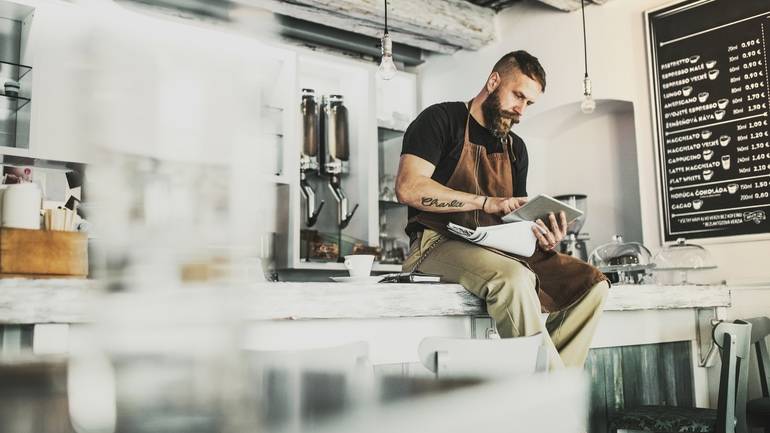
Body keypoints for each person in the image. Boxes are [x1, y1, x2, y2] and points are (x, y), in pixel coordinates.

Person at [396, 50, 609, 369]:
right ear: (493, 81)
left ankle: (544, 387)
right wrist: (483, 202)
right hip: (434, 244)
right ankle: (554, 399)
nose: (521, 109)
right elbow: (408, 188)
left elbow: (513, 219)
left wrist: (541, 236)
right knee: (513, 277)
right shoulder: (442, 120)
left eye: (529, 103)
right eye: (518, 95)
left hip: (499, 248)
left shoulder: (516, 148)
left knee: (592, 283)